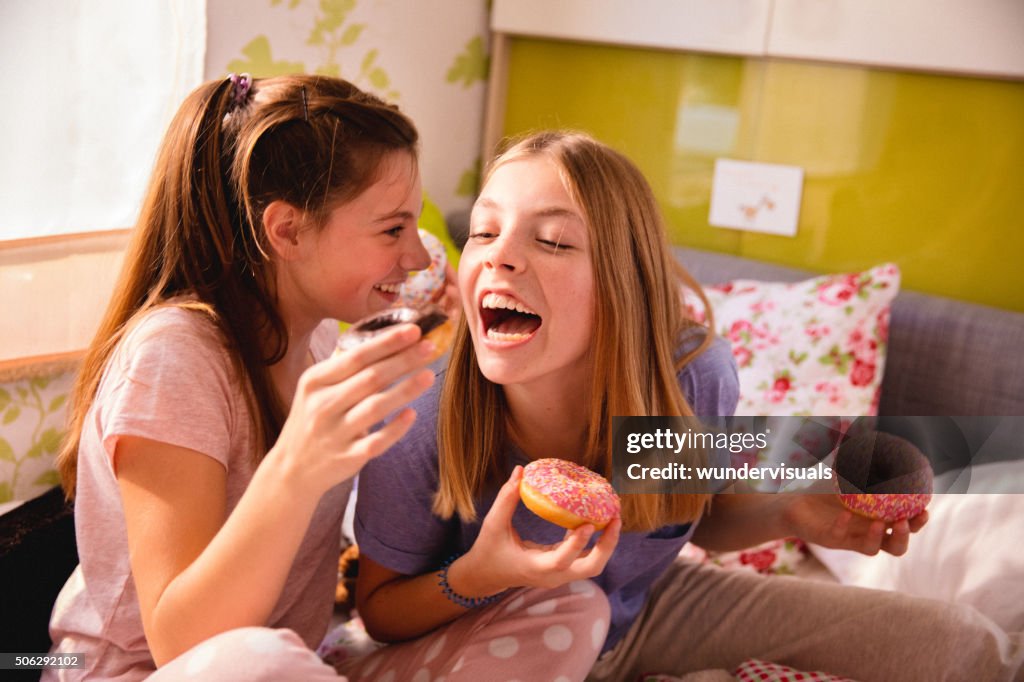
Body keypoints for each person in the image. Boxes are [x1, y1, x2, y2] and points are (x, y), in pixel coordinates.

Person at [352, 131, 1023, 681]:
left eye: (552, 240)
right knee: (575, 608)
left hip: (638, 617)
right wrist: (483, 573)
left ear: (625, 284)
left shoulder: (690, 377)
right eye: (486, 233)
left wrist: (785, 509)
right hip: (476, 632)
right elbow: (378, 614)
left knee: (958, 643)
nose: (500, 259)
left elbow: (681, 523)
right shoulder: (421, 408)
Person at [45, 75, 606, 682]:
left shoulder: (693, 380)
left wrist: (707, 463)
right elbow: (202, 641)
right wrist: (301, 465)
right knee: (260, 661)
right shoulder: (176, 358)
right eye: (394, 229)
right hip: (177, 668)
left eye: (553, 241)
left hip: (301, 660)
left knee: (574, 605)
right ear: (286, 231)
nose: (422, 258)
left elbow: (723, 519)